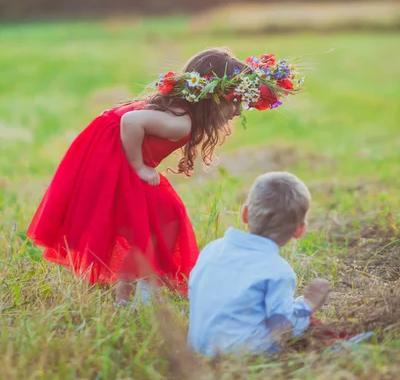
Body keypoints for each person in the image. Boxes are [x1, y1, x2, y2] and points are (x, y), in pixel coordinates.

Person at [27, 49, 304, 304]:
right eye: (235, 103)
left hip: (110, 154)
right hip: (113, 160)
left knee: (143, 223)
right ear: (212, 99)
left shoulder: (178, 111)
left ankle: (128, 295)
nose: (237, 111)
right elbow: (129, 122)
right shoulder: (180, 122)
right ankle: (145, 293)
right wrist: (140, 167)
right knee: (166, 216)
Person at [188, 172, 330, 355]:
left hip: (196, 348)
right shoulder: (278, 271)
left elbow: (193, 293)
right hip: (243, 354)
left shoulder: (211, 249)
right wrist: (308, 304)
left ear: (245, 214)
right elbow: (283, 326)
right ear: (299, 230)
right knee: (304, 325)